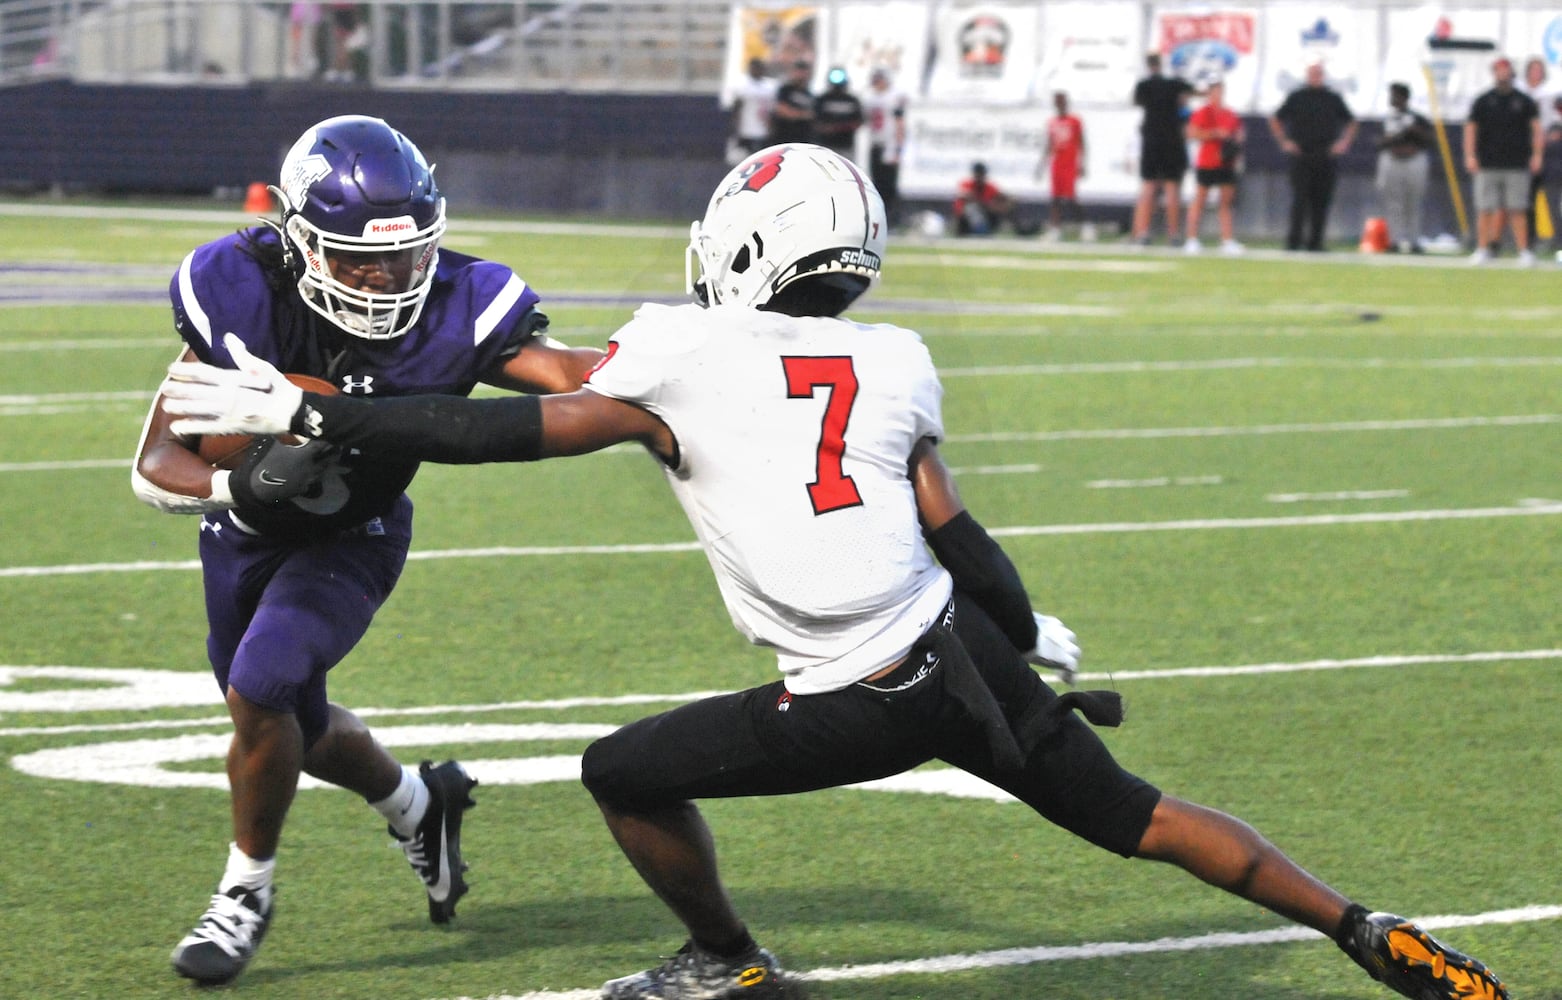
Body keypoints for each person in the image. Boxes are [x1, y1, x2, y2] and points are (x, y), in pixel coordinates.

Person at [162, 141, 1512, 1000]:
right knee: (1144, 816)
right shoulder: (898, 355)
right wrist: (1027, 641)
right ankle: (1362, 928)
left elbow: (494, 432)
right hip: (959, 647)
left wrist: (317, 413)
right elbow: (953, 533)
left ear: (744, 248)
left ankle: (727, 963)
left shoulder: (685, 349)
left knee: (621, 773)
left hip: (861, 688)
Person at [131, 114, 602, 986]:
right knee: (289, 724)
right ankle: (422, 806)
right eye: (356, 257)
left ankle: (244, 893)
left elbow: (576, 375)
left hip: (358, 533)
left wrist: (681, 361)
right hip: (240, 537)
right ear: (300, 240)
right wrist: (237, 487)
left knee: (263, 684)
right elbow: (159, 463)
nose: (386, 276)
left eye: (406, 254)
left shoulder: (462, 301)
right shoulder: (236, 287)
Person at [1269, 62, 1358, 252]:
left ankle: (1315, 241)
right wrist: (1285, 141)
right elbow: (1276, 118)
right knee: (1299, 199)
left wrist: (1343, 143)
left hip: (1325, 154)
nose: (1315, 77)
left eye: (1318, 74)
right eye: (1312, 73)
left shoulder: (1333, 98)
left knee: (1321, 200)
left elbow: (1351, 121)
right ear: (1307, 75)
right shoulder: (1297, 97)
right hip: (1301, 154)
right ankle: (1294, 241)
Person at [1465, 56, 1543, 265]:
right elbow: (1471, 128)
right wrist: (1470, 155)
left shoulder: (1523, 101)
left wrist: (1537, 155)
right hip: (1488, 162)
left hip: (1516, 163)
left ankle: (1523, 251)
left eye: (1505, 70)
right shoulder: (1483, 101)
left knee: (1517, 208)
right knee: (1485, 208)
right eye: (1499, 70)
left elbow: (1536, 129)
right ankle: (1482, 248)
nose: (1502, 74)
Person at [1130, 52, 1195, 245]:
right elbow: (1190, 92)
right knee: (1171, 188)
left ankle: (1143, 232)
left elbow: (1137, 101)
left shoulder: (1144, 86)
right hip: (1171, 140)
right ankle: (1173, 234)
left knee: (1149, 186)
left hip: (1152, 140)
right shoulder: (1174, 85)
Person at [1183, 79, 1245, 255]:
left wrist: (1234, 142)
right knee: (1200, 200)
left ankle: (1227, 240)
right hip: (1208, 161)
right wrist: (1214, 133)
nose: (1218, 95)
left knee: (1225, 202)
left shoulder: (1230, 114)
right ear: (1209, 94)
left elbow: (1239, 134)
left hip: (1226, 162)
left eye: (1220, 92)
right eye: (1214, 92)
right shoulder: (1203, 112)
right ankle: (1192, 239)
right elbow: (1192, 133)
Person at [1375, 82, 1434, 254]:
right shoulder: (1387, 118)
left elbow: (1430, 141)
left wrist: (1414, 131)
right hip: (1392, 161)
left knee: (1413, 202)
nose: (1393, 99)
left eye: (1396, 95)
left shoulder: (1417, 118)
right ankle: (1395, 240)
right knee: (1393, 202)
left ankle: (1414, 240)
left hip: (1414, 161)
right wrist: (1396, 136)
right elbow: (1379, 142)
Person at [862, 67, 907, 229]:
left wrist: (898, 148)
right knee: (877, 183)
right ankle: (880, 219)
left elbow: (899, 123)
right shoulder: (870, 98)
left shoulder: (894, 97)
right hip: (876, 144)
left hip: (889, 144)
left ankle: (891, 218)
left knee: (889, 185)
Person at [1038, 90, 1087, 240]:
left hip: (1070, 163)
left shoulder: (1075, 121)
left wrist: (1082, 163)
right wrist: (1041, 165)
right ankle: (1055, 229)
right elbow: (1049, 144)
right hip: (1057, 163)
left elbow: (1081, 142)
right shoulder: (1052, 122)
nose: (1059, 104)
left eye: (1061, 101)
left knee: (1071, 199)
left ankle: (1084, 226)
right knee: (1055, 198)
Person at [727, 57, 778, 161]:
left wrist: (771, 126)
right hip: (746, 130)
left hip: (763, 129)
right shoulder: (741, 85)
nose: (757, 70)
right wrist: (736, 127)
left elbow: (772, 110)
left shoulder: (770, 86)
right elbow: (736, 108)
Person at [811, 66, 864, 160]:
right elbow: (813, 118)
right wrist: (824, 128)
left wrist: (840, 127)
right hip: (824, 145)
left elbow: (859, 120)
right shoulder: (822, 99)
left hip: (846, 145)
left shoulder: (852, 100)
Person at [953, 161, 1015, 236]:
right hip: (965, 217)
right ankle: (979, 231)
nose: (979, 176)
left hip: (985, 216)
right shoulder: (966, 184)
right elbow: (965, 196)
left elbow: (1002, 197)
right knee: (971, 208)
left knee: (996, 209)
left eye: (981, 174)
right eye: (978, 173)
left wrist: (1006, 203)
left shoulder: (989, 187)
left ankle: (985, 231)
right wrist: (983, 202)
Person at [767, 59, 815, 145]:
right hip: (783, 137)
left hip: (802, 138)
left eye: (804, 72)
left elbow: (812, 115)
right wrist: (802, 114)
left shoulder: (809, 94)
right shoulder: (785, 90)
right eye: (799, 72)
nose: (801, 75)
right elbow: (783, 110)